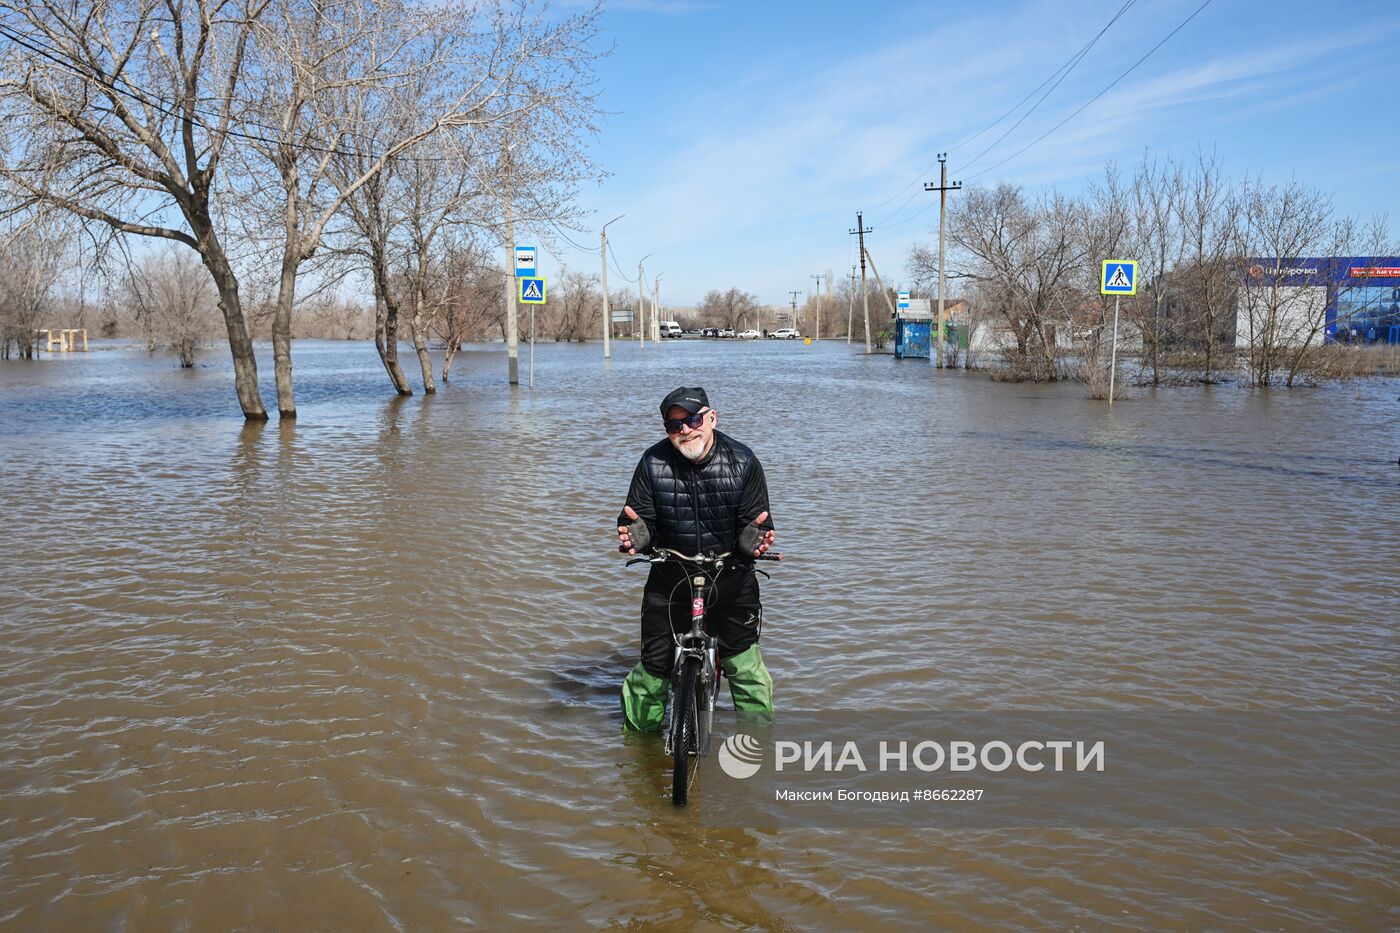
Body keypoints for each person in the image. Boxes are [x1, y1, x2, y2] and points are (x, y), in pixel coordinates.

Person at [615, 386, 777, 732]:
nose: (685, 430)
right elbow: (636, 518)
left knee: (746, 669)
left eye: (691, 419)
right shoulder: (651, 463)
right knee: (652, 673)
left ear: (711, 418)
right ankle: (641, 756)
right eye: (674, 426)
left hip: (731, 578)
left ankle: (760, 747)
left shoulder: (744, 461)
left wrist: (753, 544)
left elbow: (759, 524)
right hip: (670, 580)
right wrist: (638, 536)